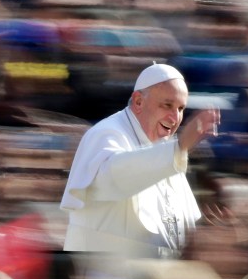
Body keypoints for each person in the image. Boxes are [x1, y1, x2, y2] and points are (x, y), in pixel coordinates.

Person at [60, 62, 220, 259]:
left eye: (181, 108)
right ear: (138, 102)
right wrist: (178, 148)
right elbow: (114, 175)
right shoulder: (106, 133)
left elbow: (182, 228)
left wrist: (214, 236)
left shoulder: (168, 149)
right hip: (108, 278)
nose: (175, 117)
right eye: (167, 105)